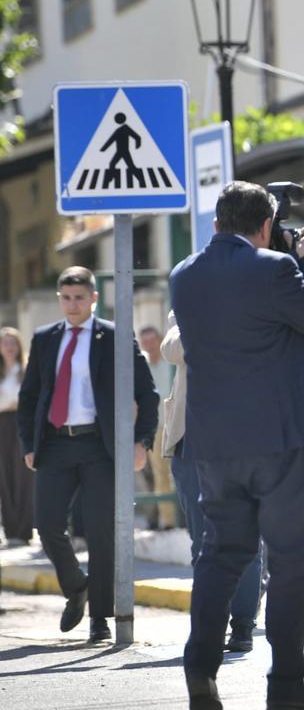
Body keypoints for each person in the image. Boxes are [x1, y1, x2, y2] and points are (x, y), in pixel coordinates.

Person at [170, 181, 304, 710]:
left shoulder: (184, 275)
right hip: (281, 439)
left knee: (219, 556)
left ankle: (200, 672)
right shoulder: (275, 269)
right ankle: (286, 683)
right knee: (291, 562)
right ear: (266, 226)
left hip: (214, 444)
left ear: (217, 223)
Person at [16, 266, 158, 644]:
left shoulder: (114, 336)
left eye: (80, 297)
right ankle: (77, 586)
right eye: (66, 298)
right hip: (55, 443)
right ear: (60, 299)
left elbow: (147, 393)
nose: (72, 304)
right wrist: (29, 444)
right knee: (47, 525)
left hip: (99, 445)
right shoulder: (45, 338)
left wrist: (142, 440)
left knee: (100, 531)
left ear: (93, 298)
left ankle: (100, 617)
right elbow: (29, 397)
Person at [162, 310, 264, 654]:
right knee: (202, 541)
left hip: (242, 442)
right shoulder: (187, 308)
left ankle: (243, 623)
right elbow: (171, 350)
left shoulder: (254, 307)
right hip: (191, 442)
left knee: (245, 535)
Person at [138, 324, 176, 529]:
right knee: (157, 474)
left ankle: (176, 519)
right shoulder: (142, 366)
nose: (150, 345)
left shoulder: (169, 364)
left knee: (172, 472)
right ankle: (165, 520)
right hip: (153, 426)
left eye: (153, 340)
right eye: (146, 342)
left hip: (172, 423)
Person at [1, 327, 34, 546]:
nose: (9, 347)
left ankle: (23, 530)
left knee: (23, 475)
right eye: (5, 343)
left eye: (13, 343)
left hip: (22, 422)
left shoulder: (26, 369)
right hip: (2, 422)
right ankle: (10, 529)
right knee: (4, 476)